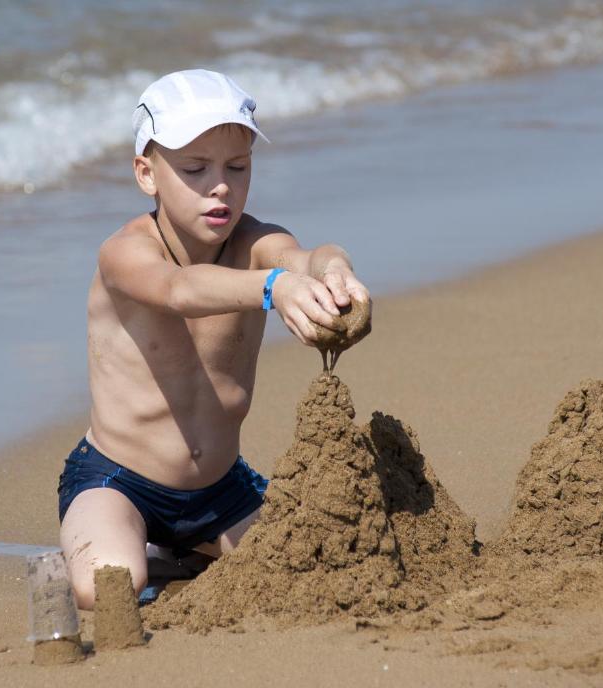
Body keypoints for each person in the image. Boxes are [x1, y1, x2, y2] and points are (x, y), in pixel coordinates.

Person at [56, 69, 369, 609]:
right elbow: (179, 289)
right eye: (195, 169)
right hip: (120, 480)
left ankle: (189, 550)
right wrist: (274, 288)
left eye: (237, 167)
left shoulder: (253, 241)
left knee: (315, 559)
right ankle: (136, 543)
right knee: (107, 587)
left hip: (222, 488)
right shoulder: (125, 253)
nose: (219, 185)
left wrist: (335, 270)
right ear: (147, 174)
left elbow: (306, 257)